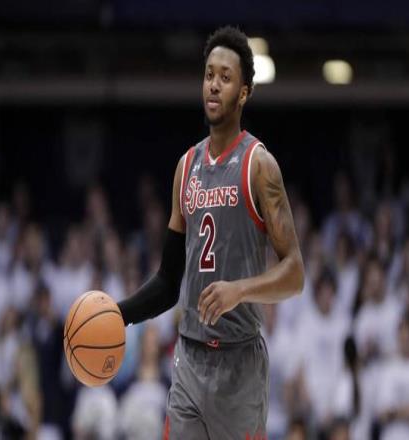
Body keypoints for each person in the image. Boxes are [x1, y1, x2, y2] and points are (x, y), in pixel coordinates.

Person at [118, 25, 304, 439]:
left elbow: (295, 273)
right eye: (208, 75)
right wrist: (119, 314)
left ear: (244, 92)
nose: (214, 85)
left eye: (225, 77)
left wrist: (239, 290)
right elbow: (169, 282)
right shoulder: (186, 167)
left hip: (239, 364)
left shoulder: (259, 166)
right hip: (189, 358)